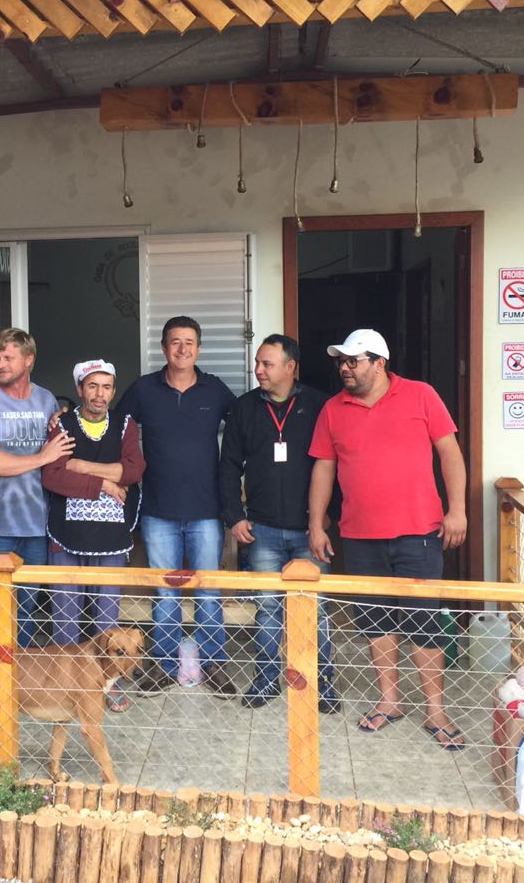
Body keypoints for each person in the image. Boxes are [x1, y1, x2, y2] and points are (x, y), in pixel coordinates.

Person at [307, 328, 469, 750]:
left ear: (379, 363)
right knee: (375, 620)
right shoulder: (333, 409)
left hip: (419, 532)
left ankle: (435, 710)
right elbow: (324, 467)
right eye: (341, 361)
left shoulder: (420, 395)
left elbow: (449, 452)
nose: (344, 368)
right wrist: (316, 524)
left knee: (423, 621)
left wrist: (457, 510)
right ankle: (389, 700)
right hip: (359, 535)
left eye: (353, 360)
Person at [219, 334, 340, 712]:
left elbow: (336, 463)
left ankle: (321, 682)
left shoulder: (319, 405)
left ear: (290, 367)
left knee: (314, 609)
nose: (258, 370)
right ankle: (267, 678)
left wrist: (329, 516)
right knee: (268, 608)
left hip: (309, 530)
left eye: (267, 364)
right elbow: (227, 466)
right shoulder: (244, 408)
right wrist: (234, 516)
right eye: (258, 362)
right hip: (262, 529)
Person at [117, 316, 236, 696]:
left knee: (207, 589)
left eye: (189, 342)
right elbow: (110, 426)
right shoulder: (143, 389)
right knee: (165, 591)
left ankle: (214, 664)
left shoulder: (214, 390)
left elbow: (247, 425)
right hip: (158, 510)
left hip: (206, 510)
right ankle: (165, 666)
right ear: (164, 347)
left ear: (198, 348)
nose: (182, 349)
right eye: (175, 342)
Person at [41, 359, 145, 711]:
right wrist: (104, 483)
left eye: (106, 387)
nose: (99, 394)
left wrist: (82, 466)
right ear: (80, 389)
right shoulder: (63, 424)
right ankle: (63, 688)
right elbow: (53, 475)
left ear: (113, 391)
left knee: (107, 622)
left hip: (111, 536)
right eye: (92, 386)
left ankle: (107, 686)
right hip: (66, 533)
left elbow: (133, 470)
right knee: (65, 618)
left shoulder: (124, 424)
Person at [0, 327, 74, 648]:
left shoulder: (46, 399)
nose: (0, 364)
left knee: (25, 614)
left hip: (35, 527)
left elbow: (60, 448)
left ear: (28, 360)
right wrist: (41, 457)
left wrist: (62, 419)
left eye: (8, 358)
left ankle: (17, 680)